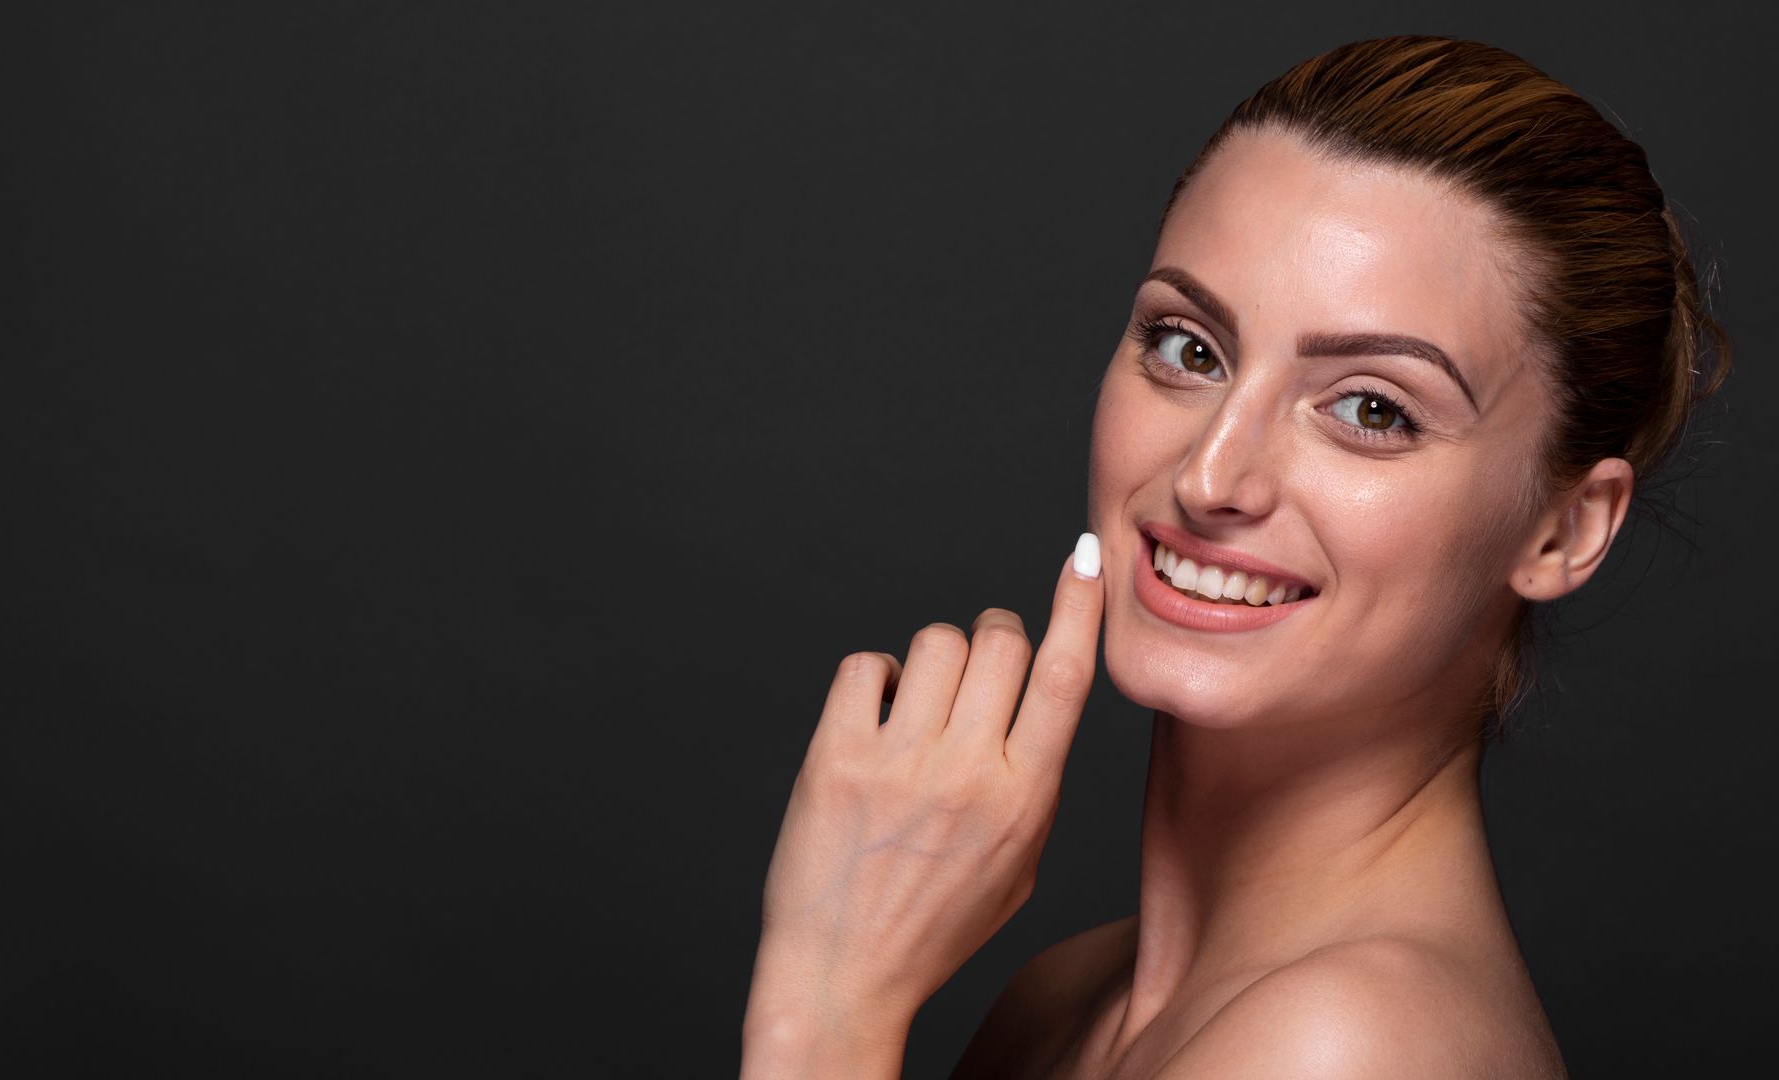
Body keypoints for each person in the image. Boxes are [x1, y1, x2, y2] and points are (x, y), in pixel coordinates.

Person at [738, 35, 1731, 1079]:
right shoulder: (1062, 1004)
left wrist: (825, 1006)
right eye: (1189, 349)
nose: (1212, 476)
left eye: (1372, 409)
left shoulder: (1348, 1048)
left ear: (1565, 529)